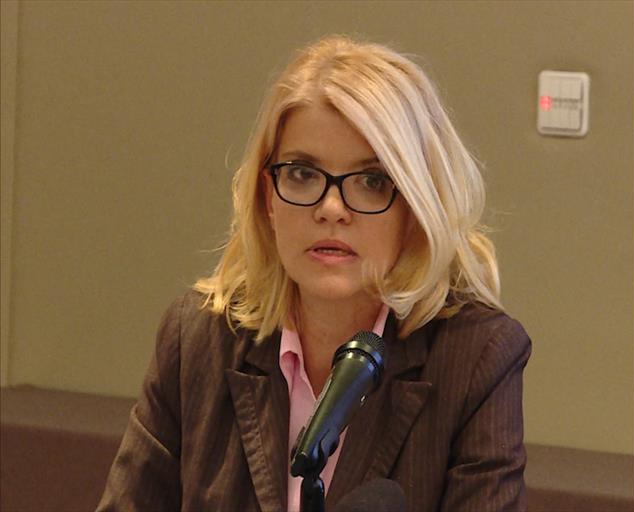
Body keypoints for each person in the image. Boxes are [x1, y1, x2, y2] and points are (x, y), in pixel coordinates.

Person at [97, 35, 531, 512]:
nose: (331, 208)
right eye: (303, 174)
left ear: (415, 205)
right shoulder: (199, 339)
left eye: (371, 181)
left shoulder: (475, 359)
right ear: (268, 196)